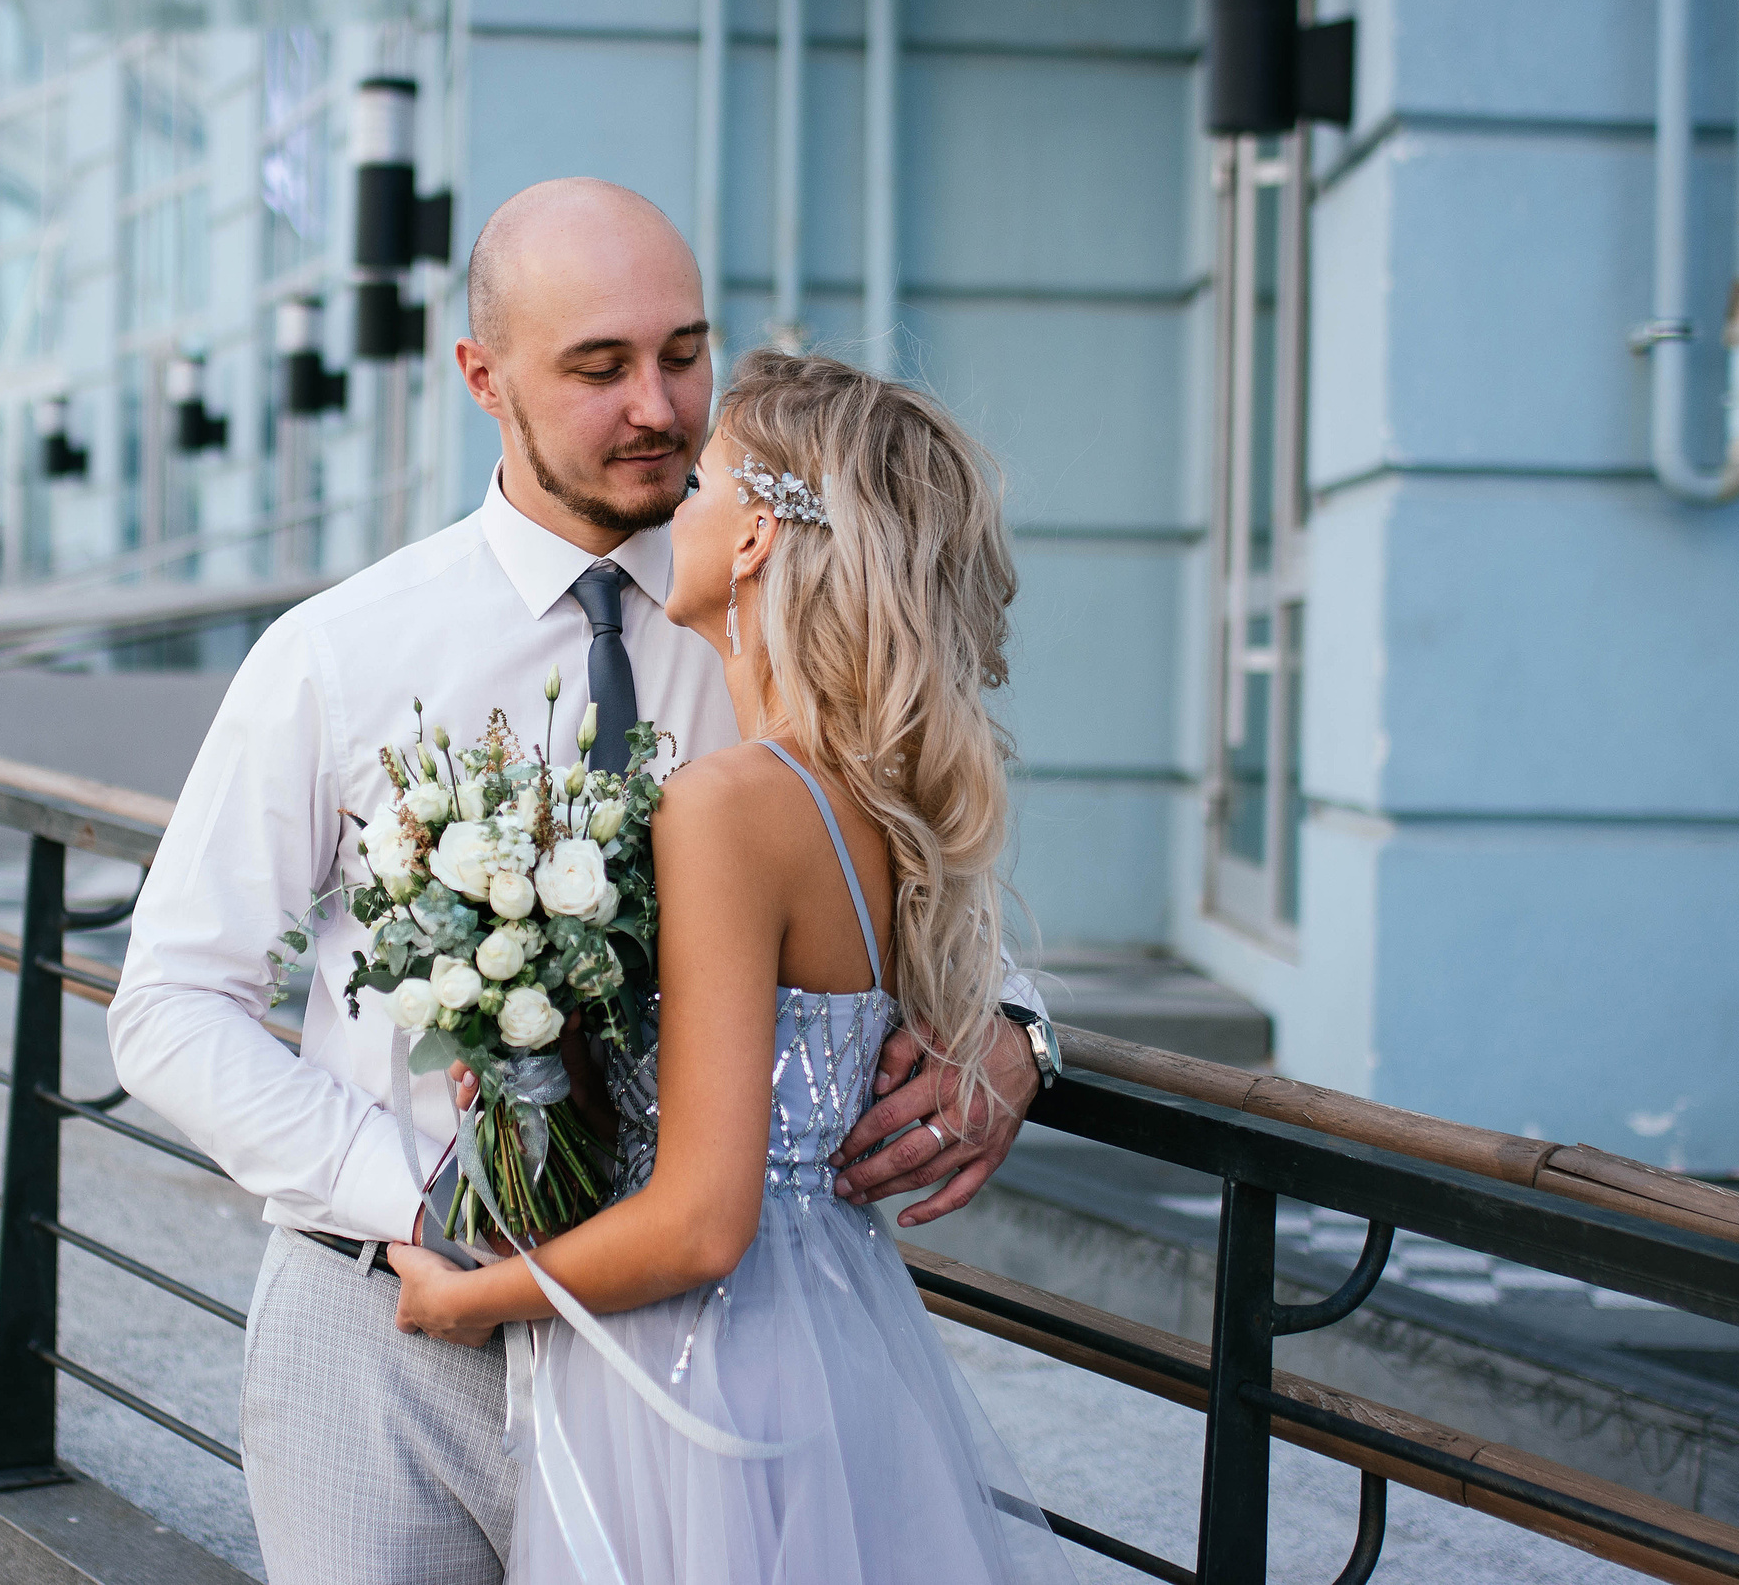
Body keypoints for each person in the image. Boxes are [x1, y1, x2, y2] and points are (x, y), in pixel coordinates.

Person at [107, 179, 1047, 1584]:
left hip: (710, 1349)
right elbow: (172, 1001)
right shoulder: (339, 651)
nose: (659, 407)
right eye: (599, 367)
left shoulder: (783, 612)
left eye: (683, 351)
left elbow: (907, 855)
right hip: (389, 1336)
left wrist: (1019, 1031)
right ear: (485, 377)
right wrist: (433, 1195)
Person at [385, 347, 1074, 1584]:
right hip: (829, 1328)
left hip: (698, 1362)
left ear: (755, 536)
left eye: (697, 480)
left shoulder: (727, 805)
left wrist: (464, 1300)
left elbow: (704, 1221)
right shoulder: (859, 794)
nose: (668, 502)